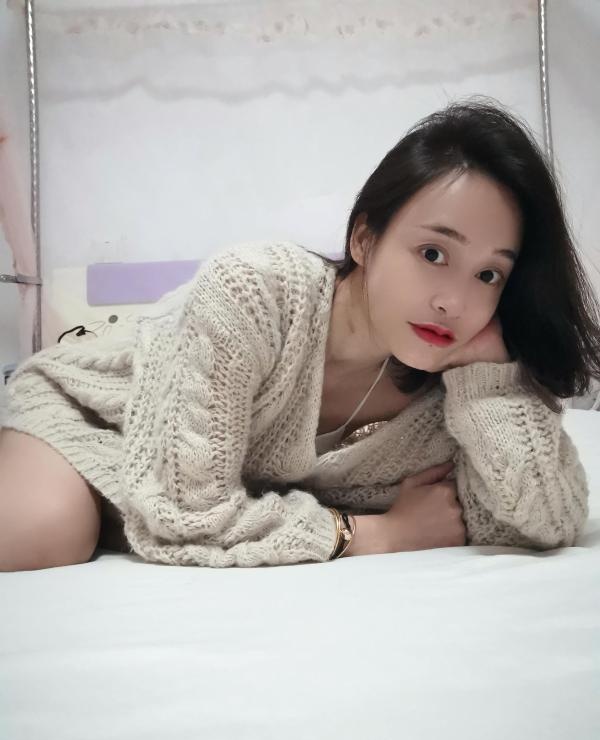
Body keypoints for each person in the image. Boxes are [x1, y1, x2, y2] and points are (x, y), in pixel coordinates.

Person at [1, 97, 597, 572]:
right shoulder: (255, 291)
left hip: (164, 489)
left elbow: (542, 523)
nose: (454, 302)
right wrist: (374, 534)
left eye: (489, 274)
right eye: (433, 253)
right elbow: (188, 513)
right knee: (51, 531)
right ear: (363, 238)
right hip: (97, 420)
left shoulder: (459, 381)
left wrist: (489, 385)